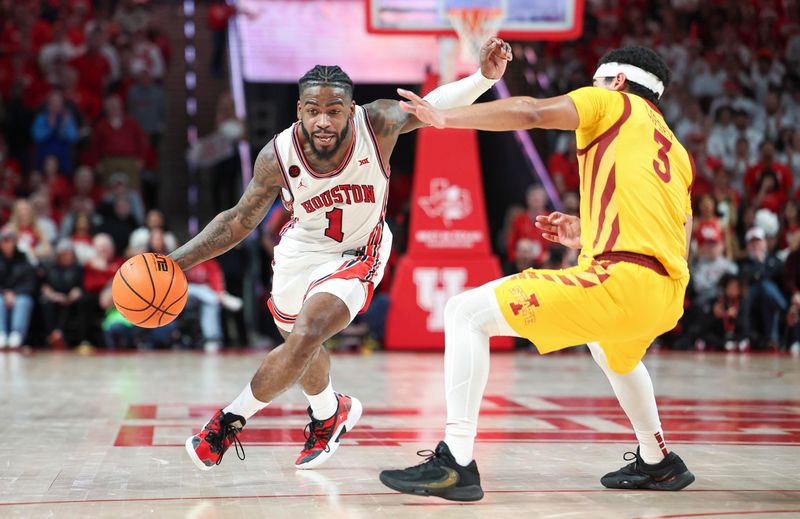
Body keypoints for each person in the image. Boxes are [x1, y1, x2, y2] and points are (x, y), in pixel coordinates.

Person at [170, 39, 513, 471]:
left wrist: (484, 77)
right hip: (300, 250)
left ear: (351, 110)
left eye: (334, 110)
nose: (324, 120)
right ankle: (330, 413)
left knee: (308, 332)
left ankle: (226, 423)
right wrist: (174, 263)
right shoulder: (277, 156)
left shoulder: (379, 122)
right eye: (314, 110)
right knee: (301, 346)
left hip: (358, 249)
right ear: (299, 110)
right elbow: (237, 222)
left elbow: (430, 107)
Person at [380, 45, 696, 500]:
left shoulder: (611, 101)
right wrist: (588, 233)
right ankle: (658, 460)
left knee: (464, 312)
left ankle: (456, 463)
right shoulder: (676, 151)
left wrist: (445, 118)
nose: (591, 90)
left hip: (622, 281)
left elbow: (530, 112)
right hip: (666, 294)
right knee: (613, 353)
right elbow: (672, 242)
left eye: (597, 82)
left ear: (619, 82)